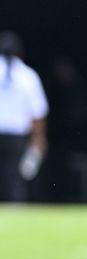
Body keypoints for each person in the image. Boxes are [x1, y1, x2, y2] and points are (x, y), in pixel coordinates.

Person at [0, 31, 48, 202]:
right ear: (20, 53)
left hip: (12, 138)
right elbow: (37, 112)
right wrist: (38, 142)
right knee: (14, 183)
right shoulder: (28, 76)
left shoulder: (27, 76)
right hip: (16, 140)